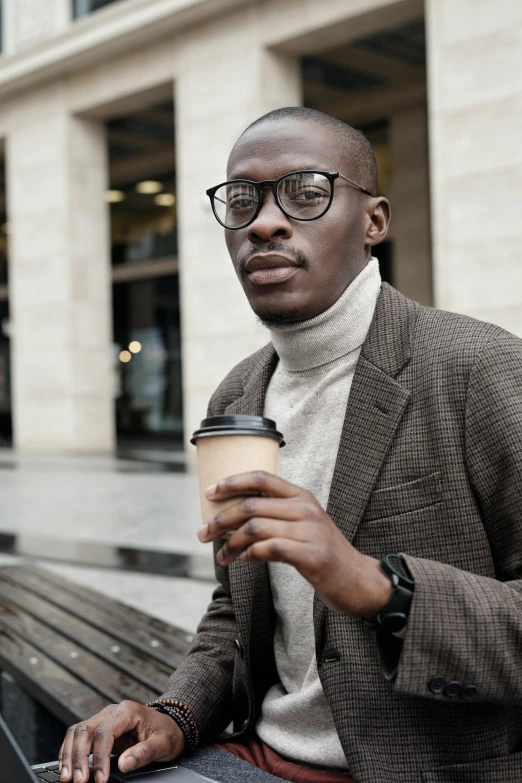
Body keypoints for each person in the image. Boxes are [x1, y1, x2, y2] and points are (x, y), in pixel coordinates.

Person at [59, 107, 522, 783]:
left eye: (306, 193)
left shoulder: (478, 368)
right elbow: (237, 607)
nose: (265, 223)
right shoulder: (237, 396)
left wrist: (377, 586)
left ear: (375, 221)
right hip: (259, 754)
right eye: (242, 201)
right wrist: (176, 713)